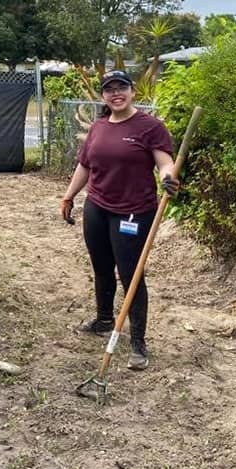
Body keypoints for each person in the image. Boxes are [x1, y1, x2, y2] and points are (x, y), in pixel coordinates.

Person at [60, 70, 179, 371]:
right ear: (103, 96)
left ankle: (138, 342)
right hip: (97, 208)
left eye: (121, 88)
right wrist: (69, 196)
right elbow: (85, 166)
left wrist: (168, 179)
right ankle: (103, 319)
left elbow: (164, 162)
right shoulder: (99, 127)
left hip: (133, 211)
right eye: (109, 89)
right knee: (101, 267)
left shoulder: (150, 126)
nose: (116, 94)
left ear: (132, 91)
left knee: (131, 274)